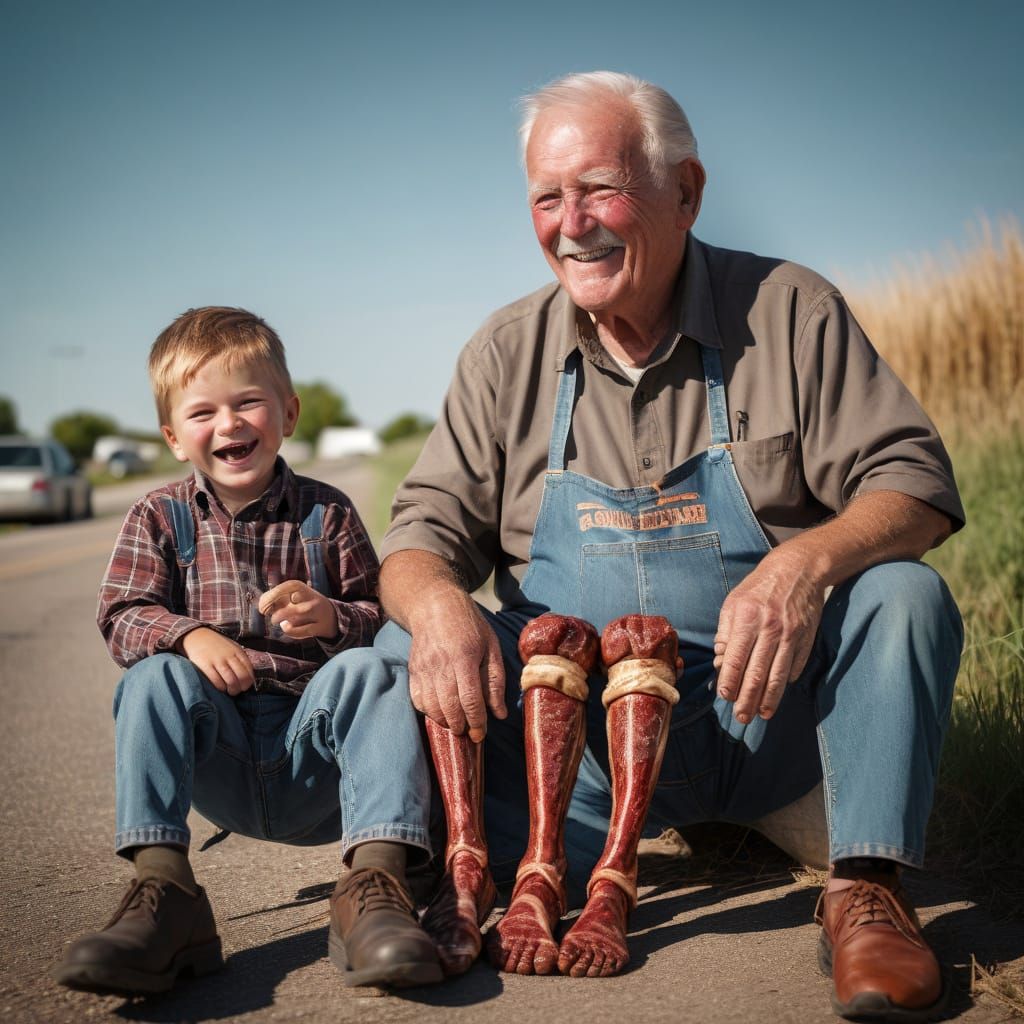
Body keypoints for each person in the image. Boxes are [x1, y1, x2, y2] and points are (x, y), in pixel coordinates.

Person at [374, 72, 965, 1021]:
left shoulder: (787, 310)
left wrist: (802, 564)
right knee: (403, 637)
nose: (573, 225)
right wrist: (440, 604)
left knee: (905, 594)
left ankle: (866, 888)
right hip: (575, 768)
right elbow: (418, 536)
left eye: (599, 188)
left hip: (770, 729)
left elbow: (916, 484)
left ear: (685, 190)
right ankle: (436, 874)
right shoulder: (505, 352)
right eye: (546, 198)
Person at [53, 307, 441, 994]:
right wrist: (188, 634)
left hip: (316, 764)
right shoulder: (159, 517)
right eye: (202, 413)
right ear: (174, 437)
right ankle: (165, 893)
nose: (229, 425)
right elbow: (121, 615)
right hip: (222, 758)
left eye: (248, 402)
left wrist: (330, 617)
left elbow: (377, 615)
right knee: (154, 680)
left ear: (288, 413)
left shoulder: (327, 514)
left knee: (372, 664)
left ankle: (378, 885)